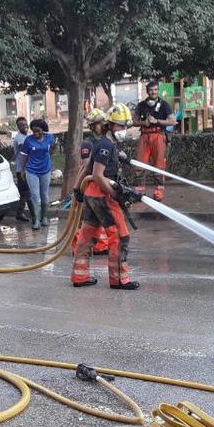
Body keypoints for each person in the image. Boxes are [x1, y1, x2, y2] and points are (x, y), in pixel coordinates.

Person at [71, 104, 140, 291]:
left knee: (87, 236)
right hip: (102, 195)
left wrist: (77, 189)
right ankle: (118, 280)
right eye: (119, 126)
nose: (123, 130)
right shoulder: (105, 146)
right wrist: (116, 194)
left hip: (91, 195)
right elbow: (98, 175)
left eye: (125, 127)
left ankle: (80, 276)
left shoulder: (105, 144)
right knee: (119, 236)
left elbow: (87, 169)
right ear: (110, 125)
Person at [73, 108, 111, 256]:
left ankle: (99, 246)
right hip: (88, 185)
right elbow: (87, 166)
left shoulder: (105, 141)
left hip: (100, 184)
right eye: (101, 123)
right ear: (93, 125)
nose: (104, 126)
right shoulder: (88, 144)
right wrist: (77, 189)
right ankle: (79, 248)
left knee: (98, 219)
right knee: (85, 220)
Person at [134, 82, 172, 201]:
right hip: (144, 136)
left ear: (158, 90)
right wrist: (143, 123)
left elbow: (172, 121)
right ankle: (138, 192)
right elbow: (133, 121)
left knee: (159, 166)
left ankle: (158, 193)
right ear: (147, 91)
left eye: (155, 89)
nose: (153, 92)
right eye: (151, 90)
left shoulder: (164, 105)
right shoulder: (141, 105)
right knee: (139, 165)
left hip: (158, 136)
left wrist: (157, 121)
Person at [16, 119, 55, 230]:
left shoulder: (50, 138)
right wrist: (22, 170)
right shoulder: (28, 140)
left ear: (43, 129)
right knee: (35, 196)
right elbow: (23, 156)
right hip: (31, 171)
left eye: (38, 131)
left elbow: (51, 149)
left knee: (45, 196)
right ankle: (36, 220)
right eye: (33, 131)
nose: (36, 134)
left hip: (45, 170)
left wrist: (48, 160)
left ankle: (44, 217)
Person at [11, 117, 31, 221]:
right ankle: (22, 213)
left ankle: (22, 213)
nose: (24, 126)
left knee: (27, 192)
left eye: (25, 124)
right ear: (18, 127)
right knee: (25, 193)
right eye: (21, 125)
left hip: (27, 168)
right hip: (21, 170)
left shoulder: (26, 136)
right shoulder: (19, 138)